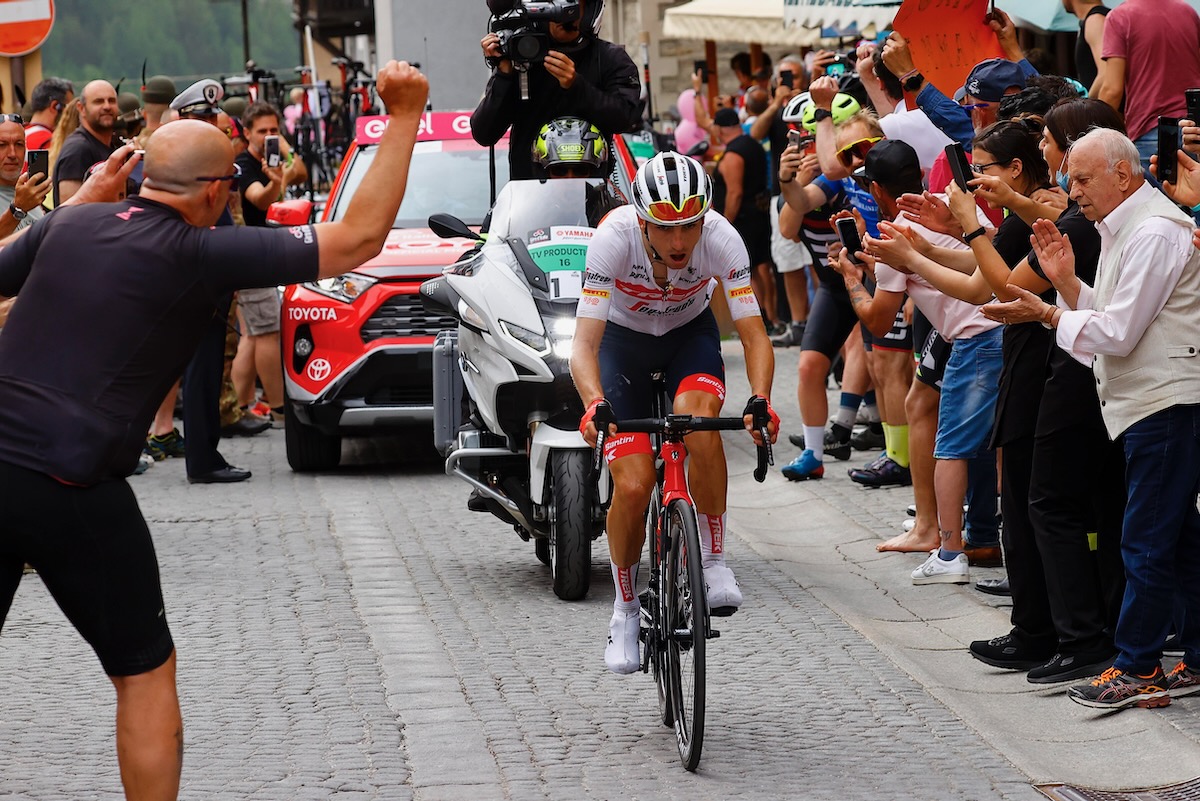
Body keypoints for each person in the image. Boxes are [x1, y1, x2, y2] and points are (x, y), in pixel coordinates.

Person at [0, 60, 428, 799]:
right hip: (72, 482)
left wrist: (75, 210)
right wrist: (404, 115)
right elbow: (358, 239)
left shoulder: (69, 226)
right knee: (142, 671)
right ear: (214, 192)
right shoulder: (200, 251)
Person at [983, 128, 1200, 710]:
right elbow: (1108, 321)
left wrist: (1049, 311)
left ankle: (1137, 667)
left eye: (1081, 178)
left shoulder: (1153, 230)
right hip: (1151, 401)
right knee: (1174, 540)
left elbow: (1118, 333)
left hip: (1165, 401)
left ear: (1123, 176)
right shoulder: (1130, 227)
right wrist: (1066, 285)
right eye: (1070, 177)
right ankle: (1189, 658)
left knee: (1148, 540)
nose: (1069, 189)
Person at [571, 151, 778, 674]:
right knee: (635, 484)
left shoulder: (722, 238)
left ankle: (712, 562)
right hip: (624, 345)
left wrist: (760, 399)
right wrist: (595, 403)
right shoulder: (612, 239)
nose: (680, 242)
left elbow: (755, 335)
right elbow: (583, 345)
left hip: (689, 337)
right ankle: (624, 610)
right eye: (665, 229)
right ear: (642, 221)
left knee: (699, 421)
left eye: (690, 226)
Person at [832, 139, 1001, 586]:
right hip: (1006, 329)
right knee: (987, 445)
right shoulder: (950, 203)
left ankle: (948, 553)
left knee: (950, 450)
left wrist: (852, 279)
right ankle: (981, 534)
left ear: (876, 190)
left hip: (975, 339)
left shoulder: (894, 234)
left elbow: (877, 318)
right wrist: (874, 267)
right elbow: (920, 271)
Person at [471, 0, 640, 181]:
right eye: (555, 4)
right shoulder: (522, 57)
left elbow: (625, 118)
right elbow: (484, 133)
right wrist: (505, 74)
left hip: (593, 195)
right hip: (531, 196)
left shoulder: (610, 58)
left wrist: (576, 86)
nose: (564, 13)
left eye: (572, 6)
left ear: (589, 11)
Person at [1097, 0, 1200, 168]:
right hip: (1193, 130)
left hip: (1149, 129)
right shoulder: (1188, 12)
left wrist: (1088, 134)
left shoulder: (1120, 17)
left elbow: (1112, 90)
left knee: (1152, 194)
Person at [52, 80, 119, 206]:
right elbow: (69, 211)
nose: (107, 106)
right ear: (81, 108)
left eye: (111, 101)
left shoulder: (114, 146)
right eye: (98, 101)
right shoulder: (77, 149)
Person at [0, 116, 49, 237]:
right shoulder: (23, 200)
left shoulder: (29, 192)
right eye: (2, 145)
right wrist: (18, 210)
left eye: (19, 144)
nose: (12, 153)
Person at [1064, 0, 1109, 97]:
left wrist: (1086, 106)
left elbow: (1106, 73)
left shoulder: (1095, 20)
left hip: (1102, 108)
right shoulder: (1096, 18)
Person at [24, 77, 74, 152]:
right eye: (69, 108)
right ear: (54, 106)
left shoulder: (19, 136)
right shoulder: (51, 144)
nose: (71, 114)